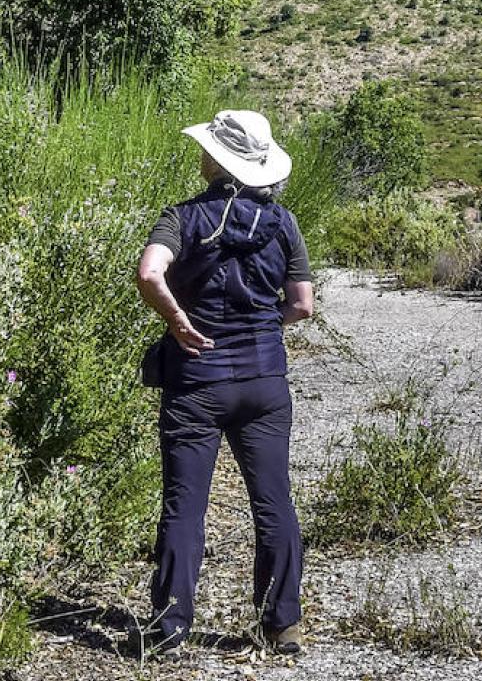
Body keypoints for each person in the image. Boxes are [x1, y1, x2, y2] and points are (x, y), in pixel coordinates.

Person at [134, 109, 314, 658]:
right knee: (274, 501)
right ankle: (282, 625)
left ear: (216, 159)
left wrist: (177, 320)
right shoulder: (282, 223)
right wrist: (262, 328)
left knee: (185, 504)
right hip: (263, 381)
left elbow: (149, 273)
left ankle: (169, 629)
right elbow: (303, 306)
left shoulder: (182, 218)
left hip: (196, 382)